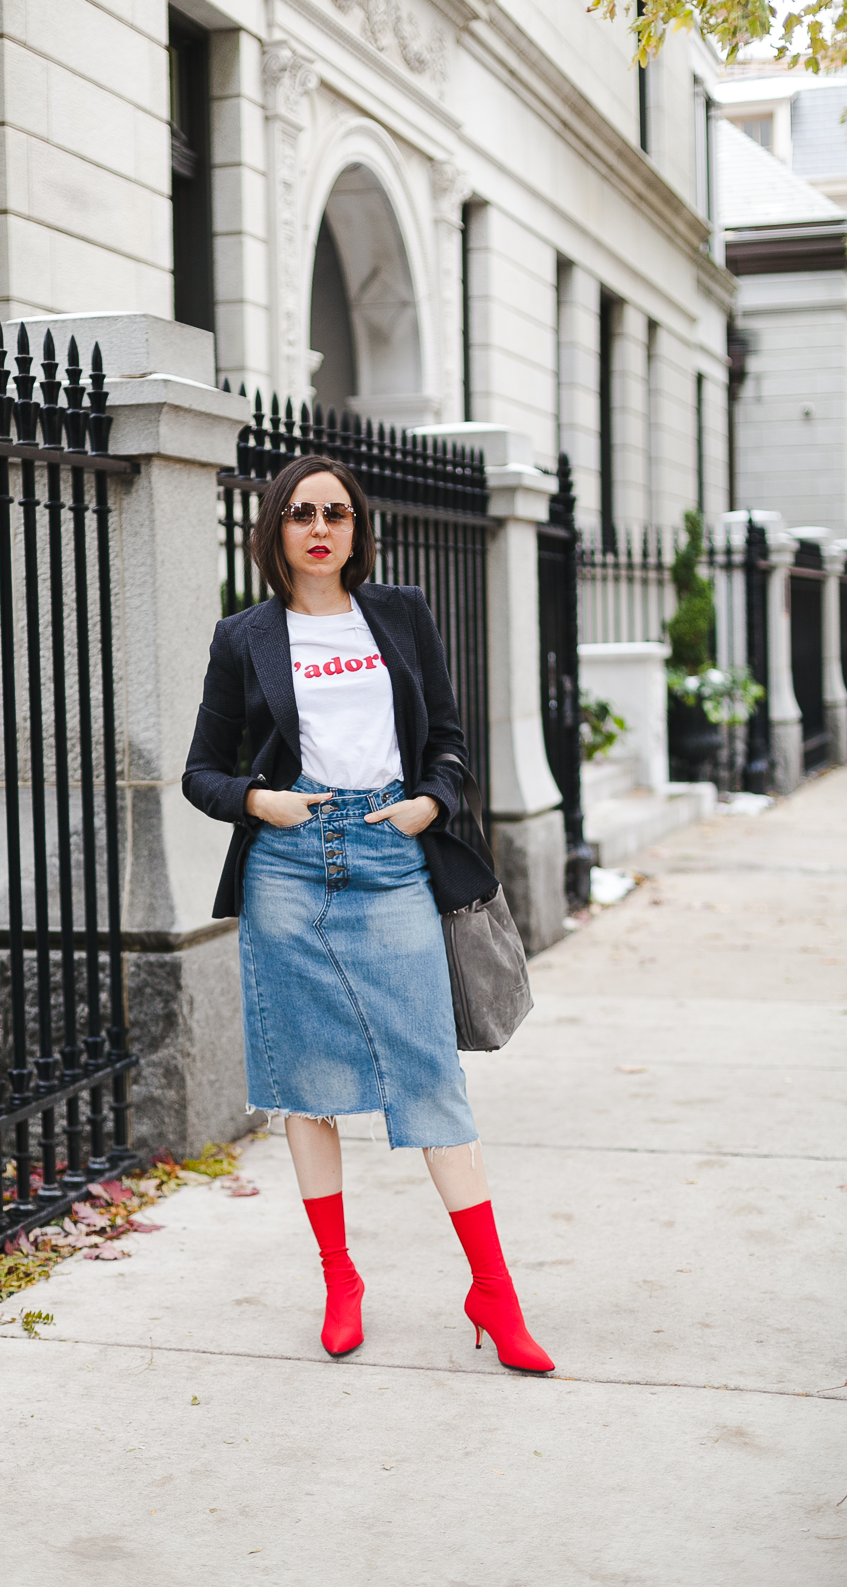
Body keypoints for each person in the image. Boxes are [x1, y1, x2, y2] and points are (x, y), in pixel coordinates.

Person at [182, 454, 554, 1374]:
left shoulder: (400, 614)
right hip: (289, 865)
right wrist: (258, 804)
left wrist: (431, 802)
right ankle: (340, 1280)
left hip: (390, 857)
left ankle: (494, 1293)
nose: (320, 527)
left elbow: (452, 740)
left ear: (357, 529)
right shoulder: (244, 637)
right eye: (303, 513)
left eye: (337, 513)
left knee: (429, 1071)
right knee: (305, 1082)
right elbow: (202, 772)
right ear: (275, 530)